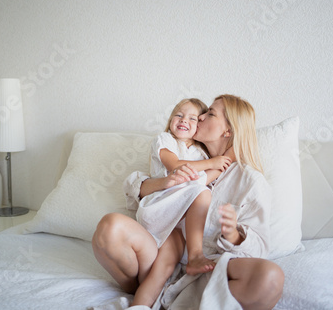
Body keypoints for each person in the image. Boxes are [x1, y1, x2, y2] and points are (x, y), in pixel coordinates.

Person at [92, 94, 284, 310]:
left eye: (209, 114)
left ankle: (179, 296)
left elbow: (259, 250)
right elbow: (140, 192)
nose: (199, 118)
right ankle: (146, 292)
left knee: (270, 277)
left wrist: (233, 235)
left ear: (227, 131)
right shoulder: (185, 152)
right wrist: (163, 182)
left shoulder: (250, 181)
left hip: (207, 270)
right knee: (110, 227)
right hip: (158, 258)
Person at [131, 98, 232, 306]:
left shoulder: (200, 153)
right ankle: (196, 255)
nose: (184, 120)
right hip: (158, 207)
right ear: (170, 121)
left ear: (198, 126)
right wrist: (213, 162)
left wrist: (229, 156)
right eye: (179, 114)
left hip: (175, 226)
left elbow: (207, 176)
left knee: (161, 271)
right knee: (203, 193)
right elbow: (174, 165)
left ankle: (138, 306)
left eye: (193, 118)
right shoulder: (165, 139)